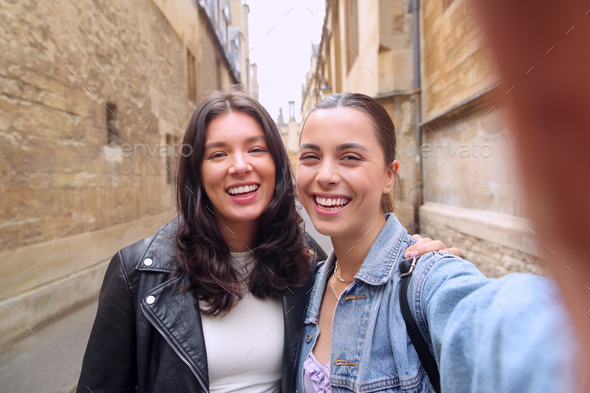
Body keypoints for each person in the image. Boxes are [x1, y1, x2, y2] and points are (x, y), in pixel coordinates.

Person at [77, 88, 453, 393]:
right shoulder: (139, 272)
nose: (240, 166)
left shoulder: (306, 264)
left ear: (277, 164)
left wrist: (418, 261)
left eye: (256, 149)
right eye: (218, 153)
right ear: (197, 172)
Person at [295, 93, 578, 393]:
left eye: (350, 157)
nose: (325, 175)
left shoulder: (427, 280)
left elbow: (511, 327)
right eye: (311, 157)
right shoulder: (307, 286)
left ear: (389, 175)